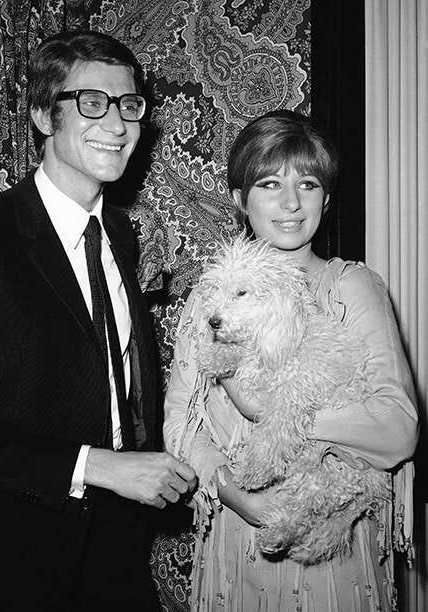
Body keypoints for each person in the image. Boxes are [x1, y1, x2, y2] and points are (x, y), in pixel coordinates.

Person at [0, 30, 196, 612]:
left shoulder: (122, 234)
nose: (117, 125)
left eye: (129, 106)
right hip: (6, 562)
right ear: (45, 115)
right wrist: (100, 467)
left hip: (115, 557)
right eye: (92, 103)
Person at [163, 110, 418, 611]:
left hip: (330, 554)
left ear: (325, 196)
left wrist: (276, 412)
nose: (290, 203)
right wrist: (235, 494)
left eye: (307, 183)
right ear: (240, 199)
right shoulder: (210, 297)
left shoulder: (352, 287)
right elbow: (180, 421)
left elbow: (398, 429)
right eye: (269, 183)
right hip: (235, 539)